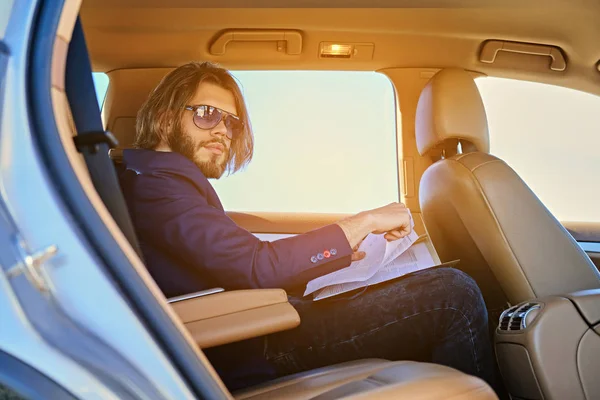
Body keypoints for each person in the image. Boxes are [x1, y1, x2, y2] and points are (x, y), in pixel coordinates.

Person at [118, 61, 498, 392]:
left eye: (231, 121)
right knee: (454, 296)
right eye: (205, 113)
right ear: (166, 119)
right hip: (255, 343)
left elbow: (240, 264)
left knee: (444, 287)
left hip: (261, 324)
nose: (222, 130)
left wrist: (344, 257)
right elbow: (256, 266)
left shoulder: (162, 181)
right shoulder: (157, 184)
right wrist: (365, 221)